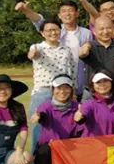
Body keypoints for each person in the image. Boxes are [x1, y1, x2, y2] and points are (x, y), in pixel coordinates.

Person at [15, 0, 92, 99]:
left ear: (77, 13)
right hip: (52, 84)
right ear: (59, 15)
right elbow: (38, 20)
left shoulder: (86, 33)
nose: (67, 14)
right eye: (64, 11)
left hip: (78, 80)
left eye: (70, 10)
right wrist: (26, 10)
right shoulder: (54, 29)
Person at [26, 18, 76, 152]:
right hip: (43, 92)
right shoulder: (38, 47)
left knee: (62, 128)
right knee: (39, 128)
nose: (53, 33)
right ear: (42, 33)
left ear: (60, 31)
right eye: (49, 30)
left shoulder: (66, 49)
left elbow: (71, 71)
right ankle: (36, 160)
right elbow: (33, 54)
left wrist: (73, 92)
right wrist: (32, 54)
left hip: (63, 92)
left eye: (55, 29)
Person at [29, 74, 80, 164]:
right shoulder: (47, 106)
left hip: (68, 150)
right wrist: (37, 116)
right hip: (49, 151)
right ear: (53, 90)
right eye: (59, 88)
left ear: (71, 90)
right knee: (44, 150)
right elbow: (41, 112)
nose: (62, 92)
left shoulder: (76, 107)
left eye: (66, 88)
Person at [79, 16, 114, 95]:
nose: (105, 32)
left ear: (113, 28)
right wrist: (86, 47)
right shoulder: (90, 46)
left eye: (108, 28)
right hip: (91, 93)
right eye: (101, 29)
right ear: (94, 31)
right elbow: (82, 54)